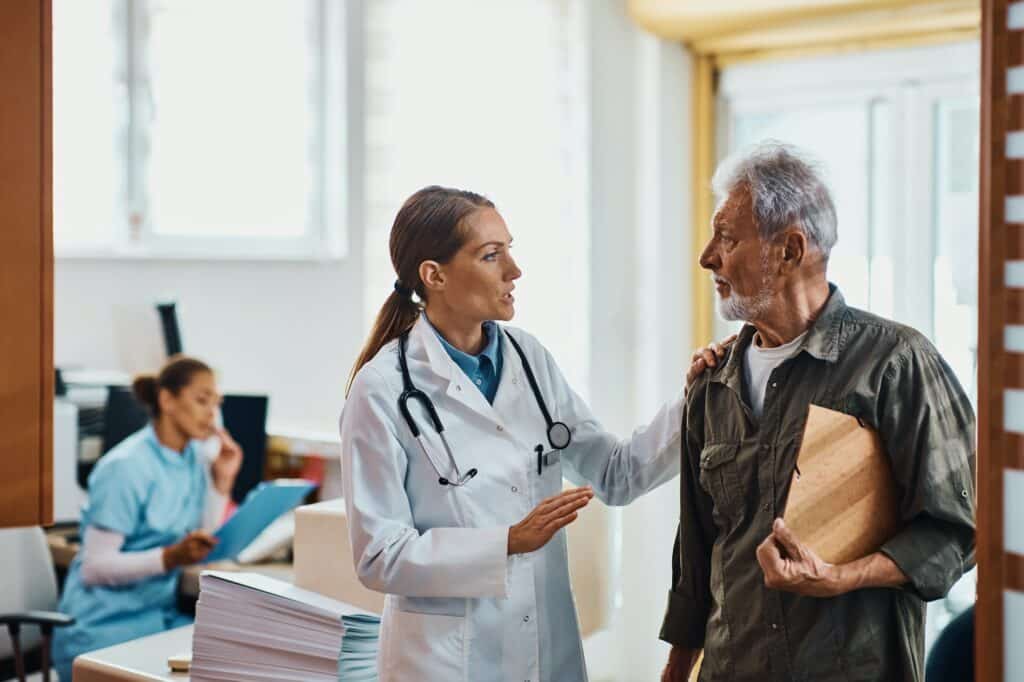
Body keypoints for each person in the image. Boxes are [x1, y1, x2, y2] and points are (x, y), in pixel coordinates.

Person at [340, 185, 715, 682]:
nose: (514, 271)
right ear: (434, 275)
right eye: (491, 255)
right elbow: (378, 556)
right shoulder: (383, 389)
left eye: (509, 250)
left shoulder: (528, 358)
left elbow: (616, 474)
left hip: (545, 650)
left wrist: (696, 400)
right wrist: (508, 542)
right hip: (445, 662)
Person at [659, 142, 976, 682]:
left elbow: (959, 530)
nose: (707, 255)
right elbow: (697, 551)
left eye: (727, 237)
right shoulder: (711, 384)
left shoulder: (896, 364)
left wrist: (842, 576)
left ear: (790, 250)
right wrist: (678, 665)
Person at [52, 355, 243, 679]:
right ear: (167, 400)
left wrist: (221, 483)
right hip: (101, 631)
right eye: (201, 400)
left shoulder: (193, 459)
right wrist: (169, 558)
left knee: (236, 653)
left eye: (216, 402)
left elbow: (203, 537)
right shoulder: (125, 466)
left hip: (155, 619)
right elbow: (95, 568)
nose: (212, 413)